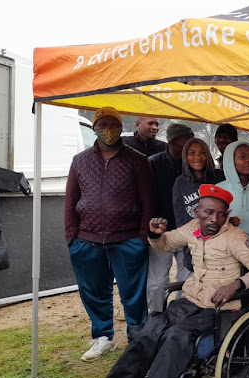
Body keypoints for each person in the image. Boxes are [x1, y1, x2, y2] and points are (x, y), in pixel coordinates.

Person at [71, 185, 249, 378]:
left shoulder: (235, 237)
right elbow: (165, 243)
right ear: (197, 212)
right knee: (150, 328)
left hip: (218, 309)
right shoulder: (192, 229)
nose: (214, 219)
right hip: (190, 300)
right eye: (208, 212)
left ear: (227, 215)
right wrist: (156, 235)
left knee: (177, 335)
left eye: (220, 214)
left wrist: (236, 284)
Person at [64, 107, 153, 361]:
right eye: (103, 125)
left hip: (127, 239)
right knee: (93, 290)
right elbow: (71, 200)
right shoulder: (79, 161)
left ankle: (136, 338)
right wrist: (72, 237)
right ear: (94, 128)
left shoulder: (137, 160)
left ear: (121, 126)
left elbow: (148, 200)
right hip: (87, 239)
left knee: (133, 293)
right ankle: (103, 337)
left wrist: (142, 237)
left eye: (113, 124)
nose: (108, 130)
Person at [146, 124, 195, 314]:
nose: (190, 145)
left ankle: (178, 319)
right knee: (157, 283)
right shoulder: (152, 164)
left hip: (187, 233)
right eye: (186, 140)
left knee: (187, 281)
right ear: (173, 142)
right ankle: (156, 320)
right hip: (162, 233)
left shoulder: (192, 164)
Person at [217, 141, 249, 313]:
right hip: (229, 262)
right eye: (242, 157)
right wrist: (225, 223)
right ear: (230, 161)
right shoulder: (219, 190)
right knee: (232, 310)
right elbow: (206, 226)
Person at [171, 137, 225, 270]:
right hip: (194, 247)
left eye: (202, 152)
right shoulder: (180, 183)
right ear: (185, 156)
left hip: (220, 246)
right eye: (192, 153)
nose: (198, 157)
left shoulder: (219, 177)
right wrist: (187, 250)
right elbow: (180, 219)